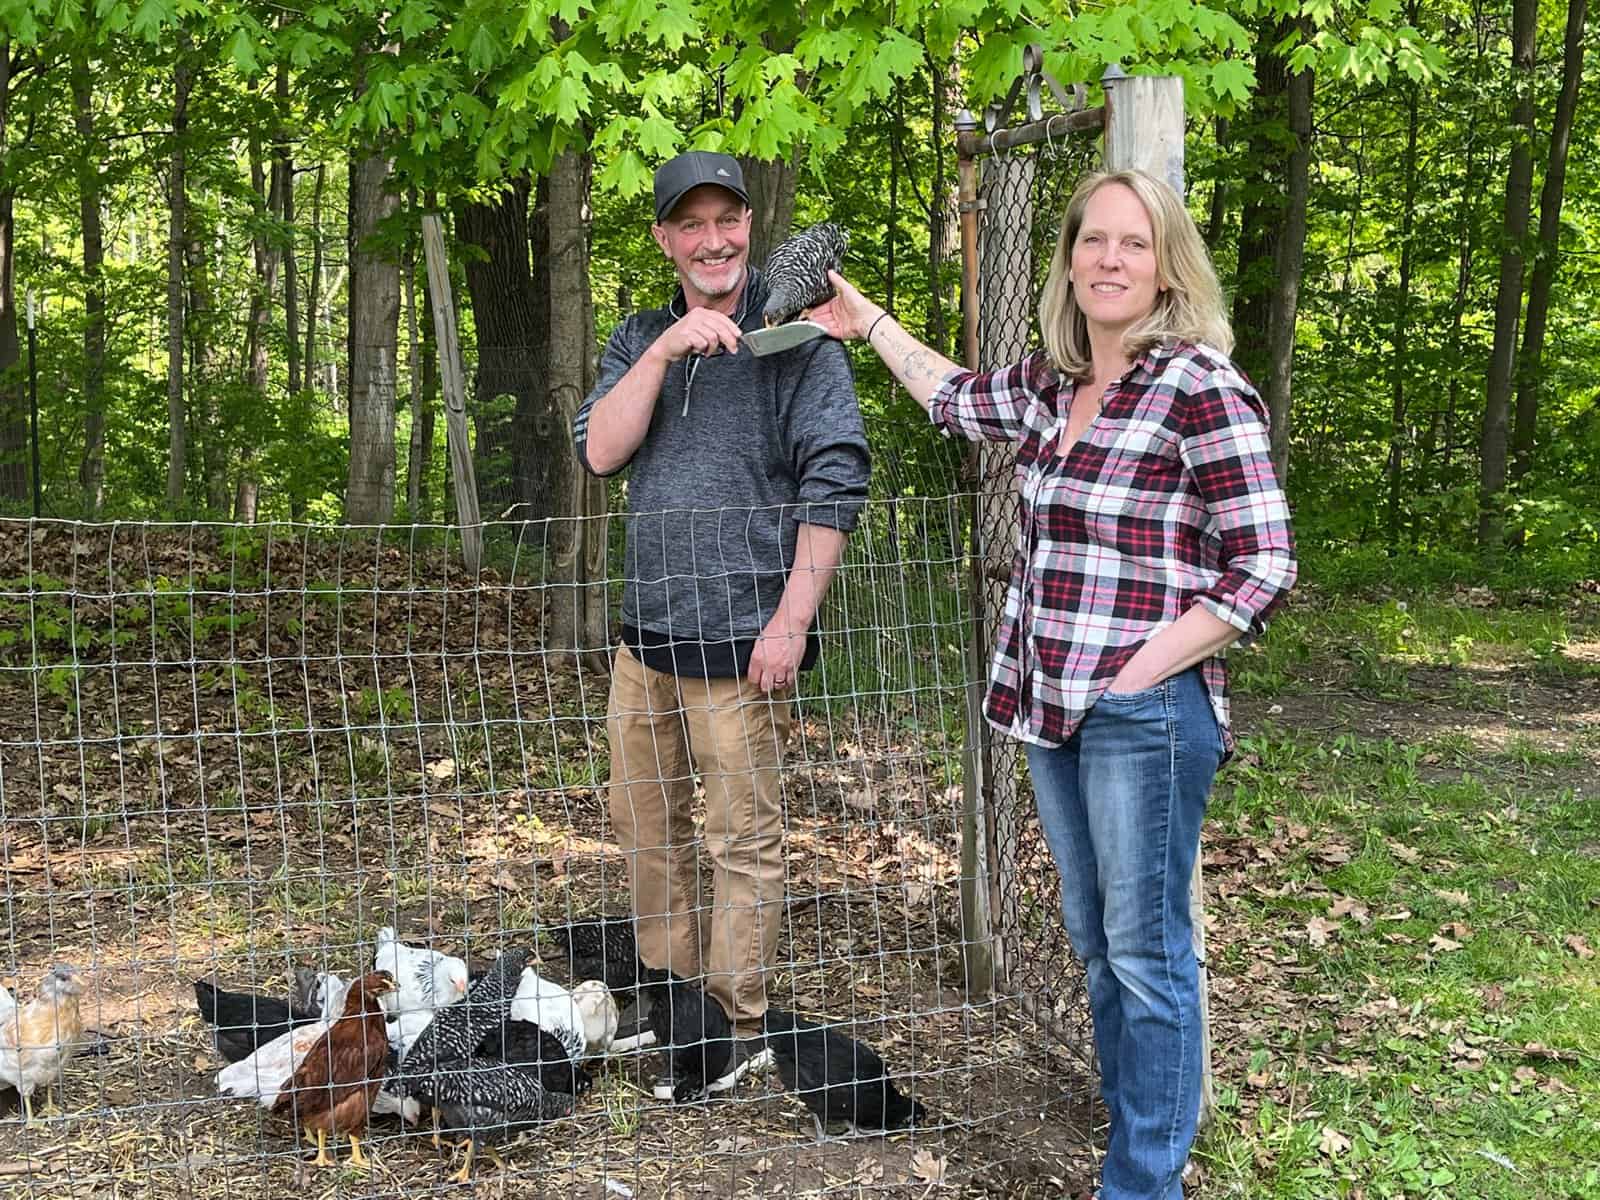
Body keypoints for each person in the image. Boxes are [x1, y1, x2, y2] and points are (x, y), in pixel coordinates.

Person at [809, 168, 1297, 1199]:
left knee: (1145, 953)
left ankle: (1142, 1183)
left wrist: (1141, 669)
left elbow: (1262, 567)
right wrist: (866, 320)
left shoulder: (1199, 386)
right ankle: (1138, 1139)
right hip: (1046, 706)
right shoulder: (1046, 387)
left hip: (1145, 715)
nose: (1109, 260)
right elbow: (948, 395)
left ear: (1166, 266)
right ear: (1069, 259)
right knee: (1095, 945)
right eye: (1092, 242)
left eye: (1132, 243)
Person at [573, 151, 870, 1099]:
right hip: (646, 641)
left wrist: (791, 623)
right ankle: (674, 1007)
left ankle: (737, 1023)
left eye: (727, 221)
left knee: (741, 837)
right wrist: (665, 350)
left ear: (750, 225)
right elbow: (601, 452)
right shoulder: (635, 337)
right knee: (646, 829)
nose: (714, 241)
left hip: (743, 643)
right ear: (665, 239)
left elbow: (836, 482)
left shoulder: (801, 345)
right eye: (690, 225)